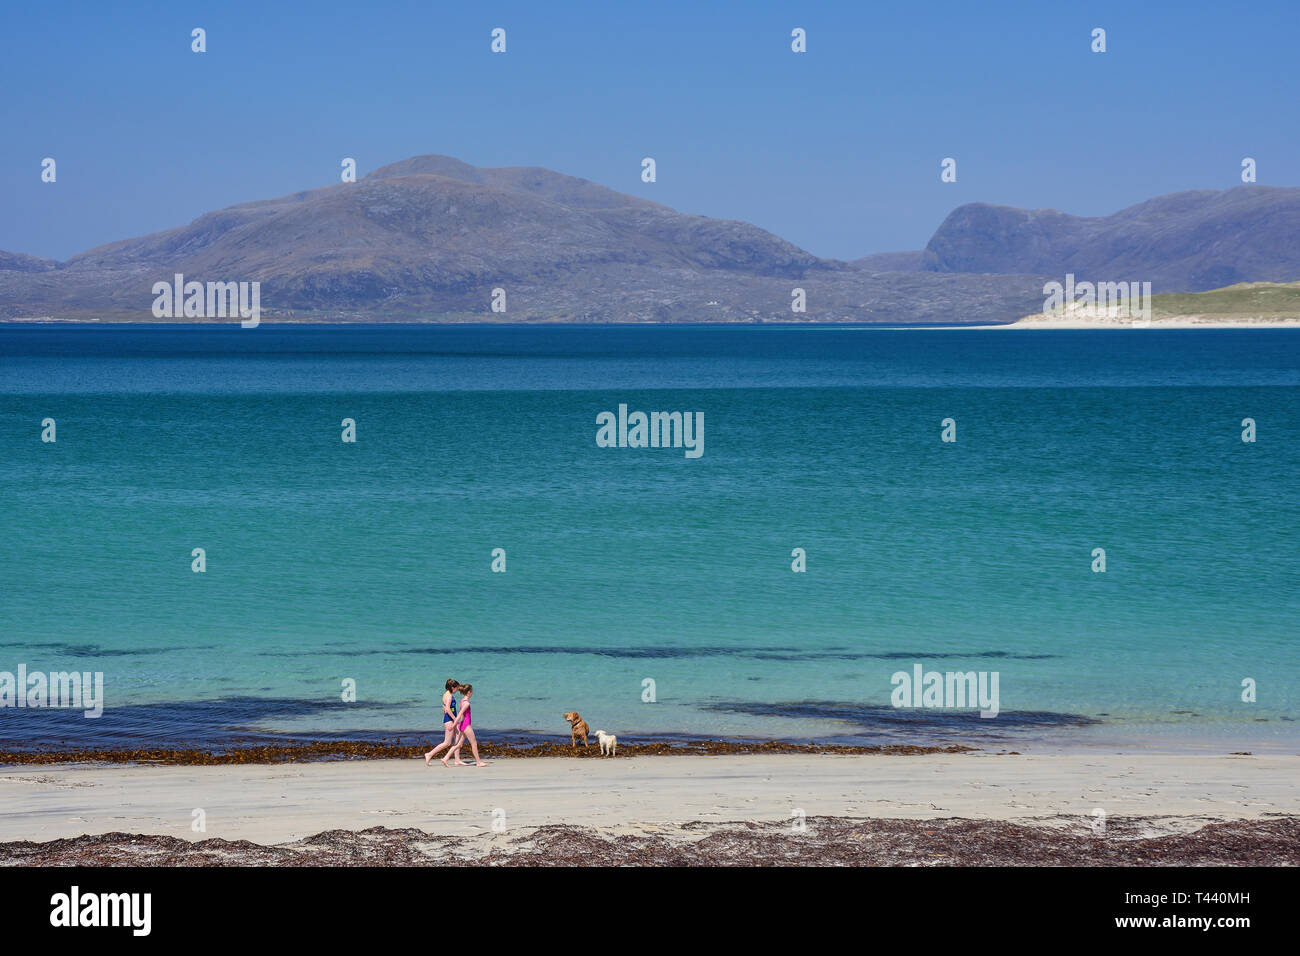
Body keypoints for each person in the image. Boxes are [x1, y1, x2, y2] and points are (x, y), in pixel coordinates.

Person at [443, 683, 488, 768]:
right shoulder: (466, 703)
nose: (472, 693)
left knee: (458, 745)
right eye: (472, 691)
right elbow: (460, 714)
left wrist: (458, 725)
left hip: (462, 725)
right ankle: (478, 762)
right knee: (474, 743)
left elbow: (462, 715)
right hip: (466, 725)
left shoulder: (462, 701)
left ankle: (445, 758)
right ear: (469, 692)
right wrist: (453, 726)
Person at [423, 679, 461, 766]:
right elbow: (447, 708)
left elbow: (444, 708)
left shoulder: (446, 694)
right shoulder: (449, 696)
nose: (457, 690)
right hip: (449, 720)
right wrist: (455, 718)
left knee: (457, 737)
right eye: (457, 688)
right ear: (452, 687)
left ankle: (457, 759)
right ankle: (429, 754)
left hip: (449, 719)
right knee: (447, 742)